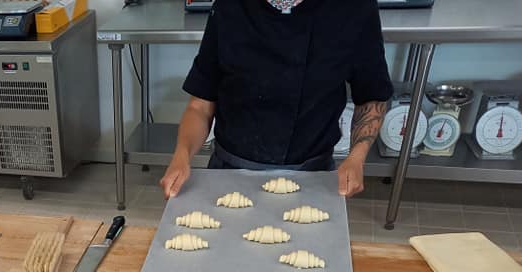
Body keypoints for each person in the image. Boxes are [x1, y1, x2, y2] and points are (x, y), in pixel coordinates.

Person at [161, 0, 392, 199]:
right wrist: (182, 155)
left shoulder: (354, 8)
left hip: (314, 176)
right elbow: (200, 105)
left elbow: (372, 97)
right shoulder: (230, 6)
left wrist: (357, 157)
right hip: (229, 171)